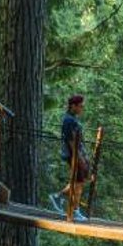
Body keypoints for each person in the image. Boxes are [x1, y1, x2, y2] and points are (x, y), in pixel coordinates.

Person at [49, 93, 89, 221]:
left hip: (77, 155)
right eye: (81, 106)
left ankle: (61, 199)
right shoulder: (69, 121)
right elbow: (71, 141)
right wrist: (79, 158)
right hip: (73, 155)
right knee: (77, 182)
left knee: (79, 182)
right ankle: (72, 209)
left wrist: (84, 156)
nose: (82, 109)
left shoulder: (72, 119)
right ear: (73, 106)